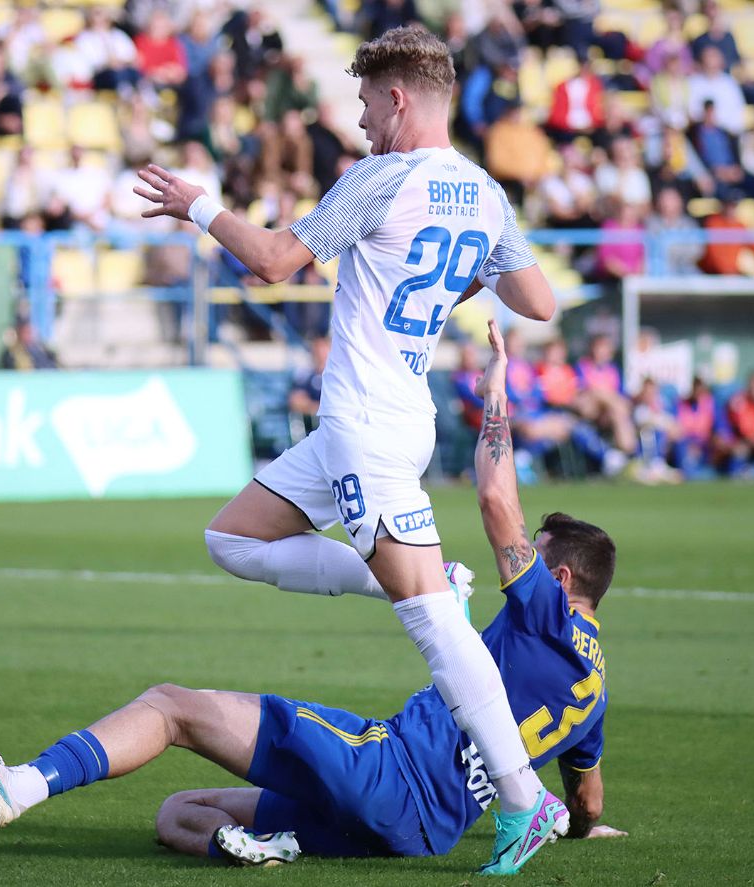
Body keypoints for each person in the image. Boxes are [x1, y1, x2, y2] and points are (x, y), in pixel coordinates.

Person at [0, 320, 623, 866]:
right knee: (180, 810)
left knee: (171, 707)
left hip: (383, 772)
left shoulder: (543, 611)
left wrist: (496, 390)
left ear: (562, 579)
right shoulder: (593, 694)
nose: (526, 563)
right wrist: (581, 826)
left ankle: (22, 784)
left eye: (539, 553)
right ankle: (261, 847)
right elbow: (586, 801)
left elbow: (497, 496)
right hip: (420, 832)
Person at [132, 26, 565, 875]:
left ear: (398, 98)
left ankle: (524, 800)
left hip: (367, 423)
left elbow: (272, 261)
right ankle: (414, 574)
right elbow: (539, 299)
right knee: (232, 538)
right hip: (371, 424)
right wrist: (438, 288)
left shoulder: (381, 177)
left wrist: (197, 205)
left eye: (366, 102)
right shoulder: (483, 193)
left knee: (434, 622)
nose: (361, 120)